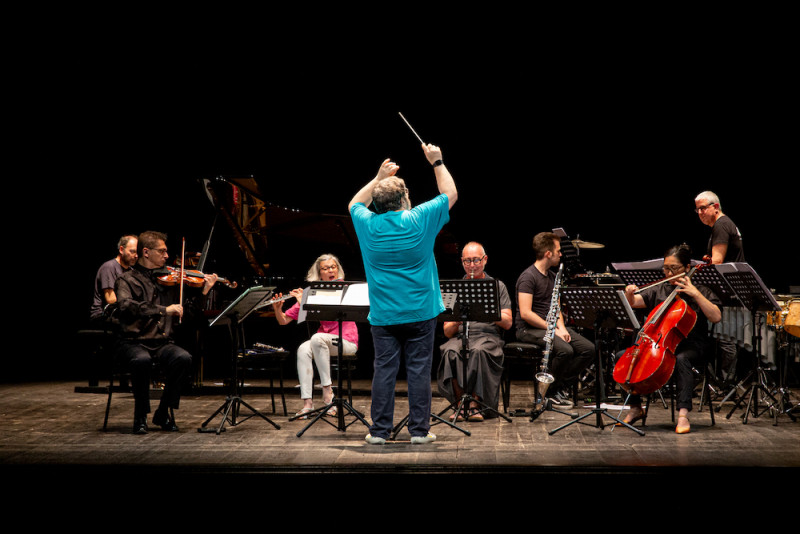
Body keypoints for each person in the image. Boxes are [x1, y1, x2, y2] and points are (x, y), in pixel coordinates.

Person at [349, 143, 457, 444]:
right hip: (420, 312)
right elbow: (450, 194)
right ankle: (419, 432)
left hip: (384, 315)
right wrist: (437, 162)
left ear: (378, 203)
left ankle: (379, 432)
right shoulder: (419, 218)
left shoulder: (367, 223)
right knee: (419, 371)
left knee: (384, 371)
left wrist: (377, 177)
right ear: (405, 198)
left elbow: (353, 203)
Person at [114, 231, 219, 434]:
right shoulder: (126, 280)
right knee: (141, 361)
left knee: (183, 357)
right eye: (162, 251)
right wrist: (163, 310)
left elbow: (186, 314)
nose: (166, 256)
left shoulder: (169, 280)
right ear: (146, 252)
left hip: (161, 343)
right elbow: (126, 306)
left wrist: (203, 292)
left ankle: (163, 412)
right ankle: (140, 416)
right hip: (132, 342)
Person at [620, 244, 722, 434]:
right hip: (661, 345)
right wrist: (629, 294)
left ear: (686, 268)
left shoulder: (702, 290)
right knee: (623, 356)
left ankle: (683, 414)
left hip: (694, 344)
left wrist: (696, 294)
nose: (668, 273)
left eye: (673, 268)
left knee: (682, 359)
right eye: (666, 268)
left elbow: (716, 316)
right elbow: (635, 302)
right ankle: (635, 408)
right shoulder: (659, 289)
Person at [271, 254, 358, 419]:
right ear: (319, 274)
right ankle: (307, 404)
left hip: (346, 342)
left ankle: (327, 391)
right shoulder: (311, 292)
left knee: (317, 338)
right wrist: (277, 308)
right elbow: (283, 321)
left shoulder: (344, 289)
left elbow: (331, 309)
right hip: (323, 343)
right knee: (303, 348)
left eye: (333, 267)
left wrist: (305, 301)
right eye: (325, 268)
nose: (331, 270)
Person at [515, 232, 594, 408]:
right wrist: (553, 329)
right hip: (529, 329)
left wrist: (562, 328)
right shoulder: (528, 277)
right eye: (558, 250)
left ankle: (558, 387)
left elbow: (556, 308)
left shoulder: (552, 277)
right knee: (565, 350)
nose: (561, 254)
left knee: (588, 349)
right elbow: (526, 313)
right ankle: (549, 393)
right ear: (548, 254)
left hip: (549, 327)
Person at [437, 242, 512, 421]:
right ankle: (459, 404)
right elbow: (447, 332)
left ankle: (476, 404)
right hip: (462, 335)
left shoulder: (497, 286)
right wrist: (457, 319)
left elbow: (508, 322)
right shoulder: (455, 288)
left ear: (485, 260)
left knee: (479, 351)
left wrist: (486, 310)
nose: (472, 266)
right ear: (462, 261)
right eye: (467, 261)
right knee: (450, 351)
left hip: (488, 336)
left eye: (476, 260)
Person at [695, 191, 744, 383]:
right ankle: (722, 381)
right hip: (729, 290)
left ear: (715, 207)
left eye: (703, 208)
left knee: (726, 340)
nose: (700, 213)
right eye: (697, 209)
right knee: (725, 338)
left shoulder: (721, 225)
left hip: (728, 292)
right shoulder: (724, 224)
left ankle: (727, 383)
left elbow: (717, 262)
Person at [89, 235, 138, 326]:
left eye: (137, 252)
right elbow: (110, 299)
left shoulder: (132, 271)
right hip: (103, 315)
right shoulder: (109, 267)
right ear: (121, 249)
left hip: (121, 314)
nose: (136, 256)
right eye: (132, 251)